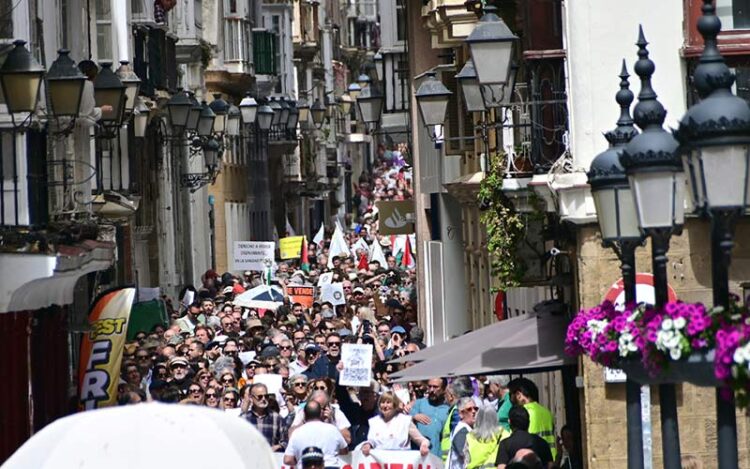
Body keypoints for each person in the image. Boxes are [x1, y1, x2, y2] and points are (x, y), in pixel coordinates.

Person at [360, 392, 430, 456]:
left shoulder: (405, 421)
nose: (385, 405)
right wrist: (367, 445)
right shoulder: (374, 421)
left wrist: (423, 446)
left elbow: (422, 440)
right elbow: (371, 440)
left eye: (388, 402)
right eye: (382, 402)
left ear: (395, 404)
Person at [284, 400, 348, 469]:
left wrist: (300, 460)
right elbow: (344, 450)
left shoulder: (296, 433)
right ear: (321, 413)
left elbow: (288, 459)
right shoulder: (333, 429)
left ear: (304, 414)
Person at [508, 378, 556, 459]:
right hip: (550, 460)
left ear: (518, 395)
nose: (510, 399)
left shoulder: (522, 414)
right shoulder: (547, 413)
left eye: (510, 395)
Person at [410, 377, 450, 457]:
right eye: (429, 386)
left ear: (444, 389)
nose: (431, 390)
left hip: (437, 455)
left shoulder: (448, 409)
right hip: (418, 456)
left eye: (435, 387)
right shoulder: (419, 404)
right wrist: (414, 416)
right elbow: (403, 418)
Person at [243, 383, 287, 451]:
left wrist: (278, 446)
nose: (263, 399)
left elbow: (285, 442)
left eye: (266, 396)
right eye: (260, 396)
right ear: (251, 398)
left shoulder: (277, 418)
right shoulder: (243, 419)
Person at [463, 404, 508, 469]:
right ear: (495, 417)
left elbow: (466, 460)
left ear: (478, 418)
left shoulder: (470, 436)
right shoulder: (504, 434)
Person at [440, 377, 475, 461]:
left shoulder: (457, 412)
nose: (445, 397)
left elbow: (459, 436)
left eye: (446, 394)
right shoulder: (472, 407)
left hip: (456, 460)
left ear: (451, 396)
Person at [446, 397, 477, 469]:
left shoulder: (467, 429)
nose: (473, 411)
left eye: (475, 408)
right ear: (461, 414)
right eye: (469, 409)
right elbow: (466, 455)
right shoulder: (462, 431)